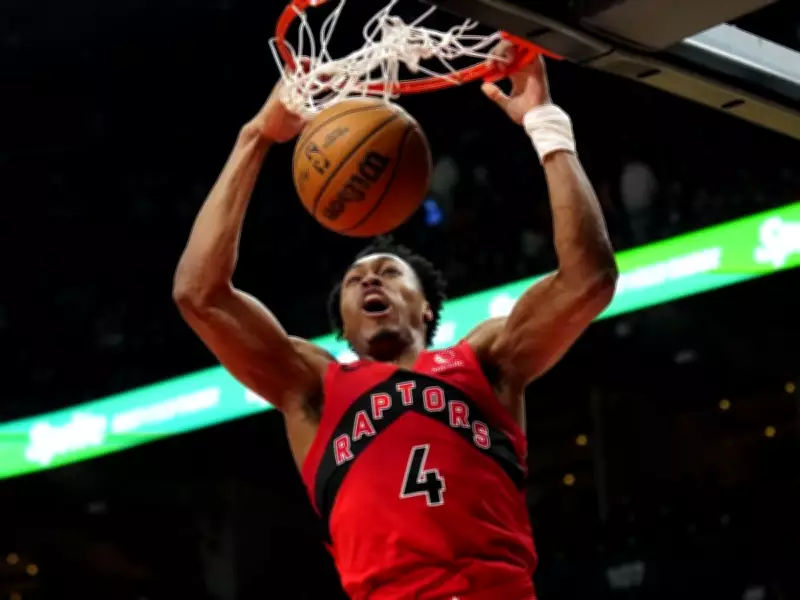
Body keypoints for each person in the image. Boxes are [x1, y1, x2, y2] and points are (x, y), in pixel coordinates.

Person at [173, 45, 617, 600]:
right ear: (342, 322)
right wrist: (256, 136)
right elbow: (199, 294)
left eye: (387, 272)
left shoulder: (484, 362)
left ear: (426, 307)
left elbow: (588, 279)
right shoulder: (315, 387)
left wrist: (545, 123)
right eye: (355, 280)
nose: (369, 282)